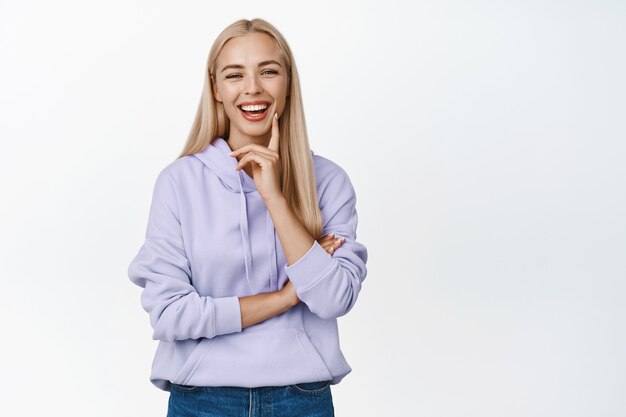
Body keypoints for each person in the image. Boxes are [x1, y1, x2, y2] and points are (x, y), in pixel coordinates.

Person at [128, 17, 368, 417]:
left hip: (301, 399)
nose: (253, 88)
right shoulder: (179, 182)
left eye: (268, 71)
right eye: (234, 74)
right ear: (216, 88)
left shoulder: (327, 181)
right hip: (202, 399)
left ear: (288, 83)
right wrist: (285, 298)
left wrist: (272, 196)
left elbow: (333, 298)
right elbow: (170, 313)